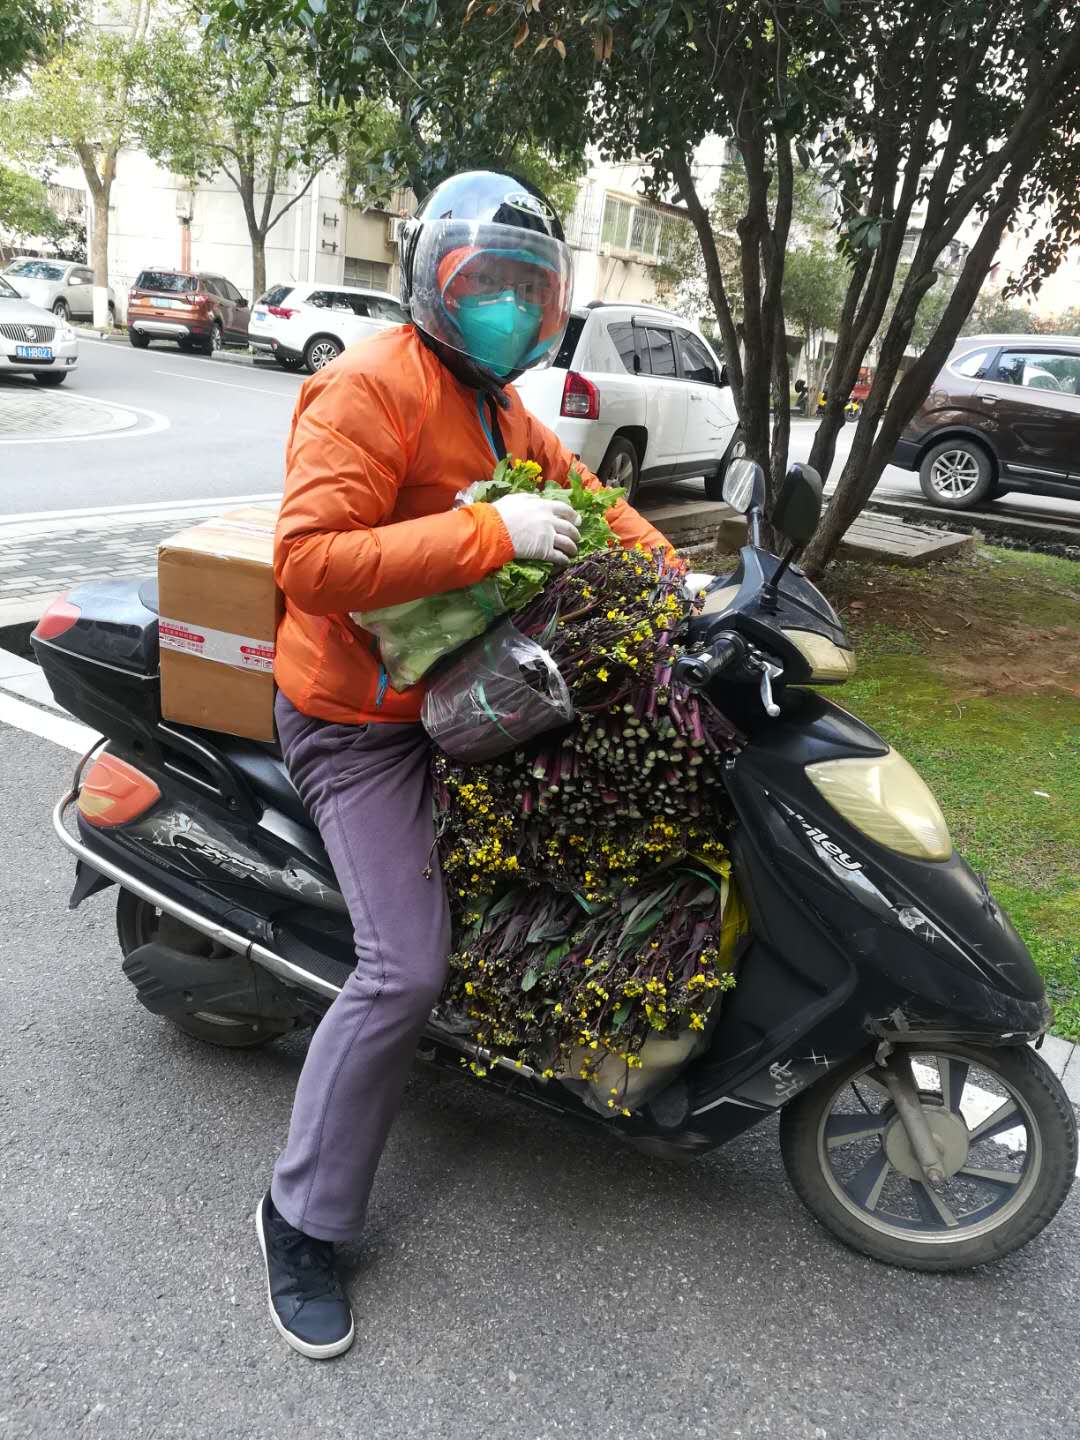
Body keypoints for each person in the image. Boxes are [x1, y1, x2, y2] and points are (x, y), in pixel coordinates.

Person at [255, 170, 674, 1360]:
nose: (509, 306)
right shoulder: (369, 386)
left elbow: (590, 504)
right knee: (403, 968)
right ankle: (301, 1219)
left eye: (528, 289)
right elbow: (310, 562)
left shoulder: (499, 411)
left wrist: (672, 576)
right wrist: (491, 532)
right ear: (434, 280)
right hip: (361, 727)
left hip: (468, 705)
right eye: (486, 282)